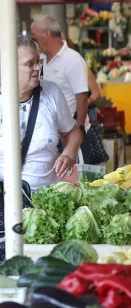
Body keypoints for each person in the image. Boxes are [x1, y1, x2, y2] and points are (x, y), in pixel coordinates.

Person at [0, 36, 83, 190]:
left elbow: (73, 133)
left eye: (38, 61)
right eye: (30, 64)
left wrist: (68, 154)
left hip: (48, 195)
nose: (38, 68)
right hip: (5, 200)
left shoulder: (52, 92)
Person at [30, 16, 89, 124]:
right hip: (48, 129)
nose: (34, 42)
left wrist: (79, 129)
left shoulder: (73, 60)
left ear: (47, 34)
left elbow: (82, 98)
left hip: (71, 131)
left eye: (35, 37)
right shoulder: (40, 58)